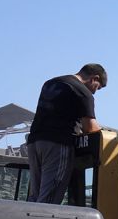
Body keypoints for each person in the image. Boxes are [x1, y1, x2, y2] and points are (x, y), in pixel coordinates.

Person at [27, 64, 106, 204]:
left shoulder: (51, 83)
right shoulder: (82, 91)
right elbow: (90, 128)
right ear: (95, 78)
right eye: (97, 88)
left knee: (35, 196)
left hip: (35, 142)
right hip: (57, 144)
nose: (94, 93)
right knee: (48, 201)